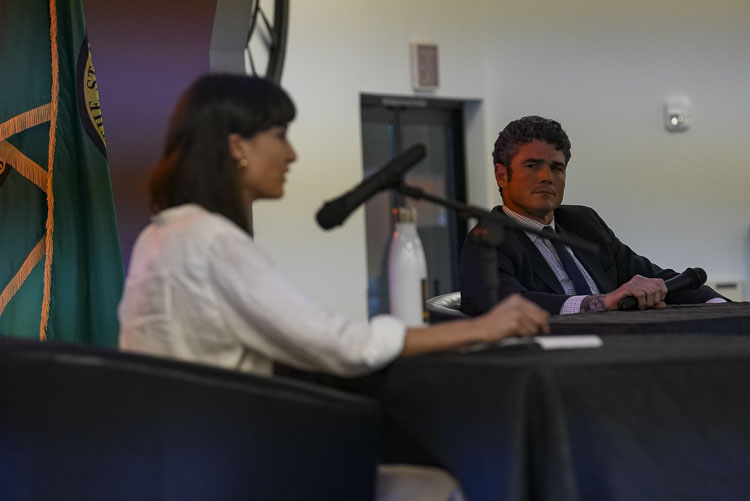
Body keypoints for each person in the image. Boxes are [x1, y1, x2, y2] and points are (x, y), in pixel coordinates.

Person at [118, 75, 550, 500]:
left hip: (174, 465)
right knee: (438, 486)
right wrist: (480, 328)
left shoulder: (160, 237)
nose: (292, 154)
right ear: (237, 147)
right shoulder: (212, 241)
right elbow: (342, 346)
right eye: (280, 135)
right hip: (229, 470)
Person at [459, 115, 727, 316]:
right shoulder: (487, 240)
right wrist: (600, 302)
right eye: (532, 166)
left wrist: (721, 307)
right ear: (502, 175)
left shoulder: (584, 223)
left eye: (556, 168)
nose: (546, 178)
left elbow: (653, 278)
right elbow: (506, 305)